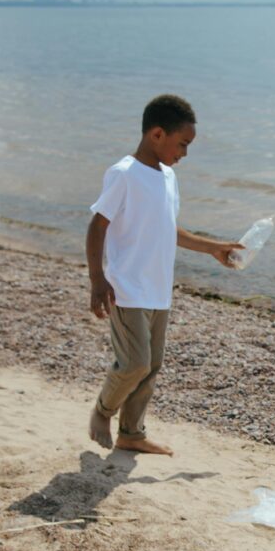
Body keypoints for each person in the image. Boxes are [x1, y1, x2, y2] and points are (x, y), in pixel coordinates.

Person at [85, 94, 243, 456]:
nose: (185, 153)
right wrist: (98, 279)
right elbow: (98, 224)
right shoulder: (124, 174)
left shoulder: (168, 178)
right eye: (182, 144)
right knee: (135, 363)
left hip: (158, 290)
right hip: (125, 288)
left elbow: (169, 230)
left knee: (151, 367)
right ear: (157, 134)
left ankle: (132, 433)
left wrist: (213, 247)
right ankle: (102, 411)